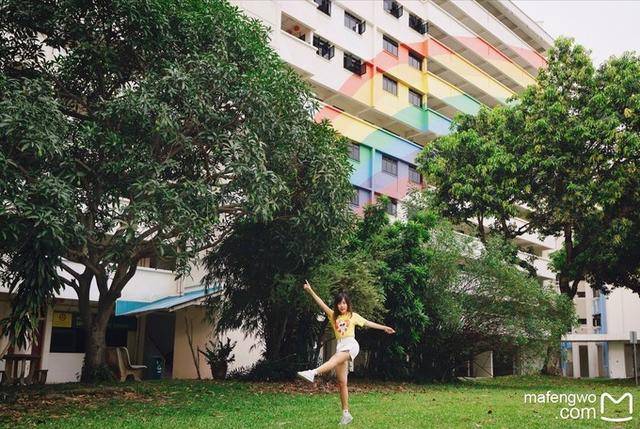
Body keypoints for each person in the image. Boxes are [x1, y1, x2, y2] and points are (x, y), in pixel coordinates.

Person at [297, 280, 396, 426]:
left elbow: (368, 323)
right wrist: (310, 291)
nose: (342, 305)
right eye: (339, 303)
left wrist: (384, 328)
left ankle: (313, 372)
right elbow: (321, 304)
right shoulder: (333, 316)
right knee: (342, 383)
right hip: (340, 346)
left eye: (344, 303)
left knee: (333, 360)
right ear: (336, 305)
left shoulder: (353, 316)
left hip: (351, 345)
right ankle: (346, 414)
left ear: (348, 304)